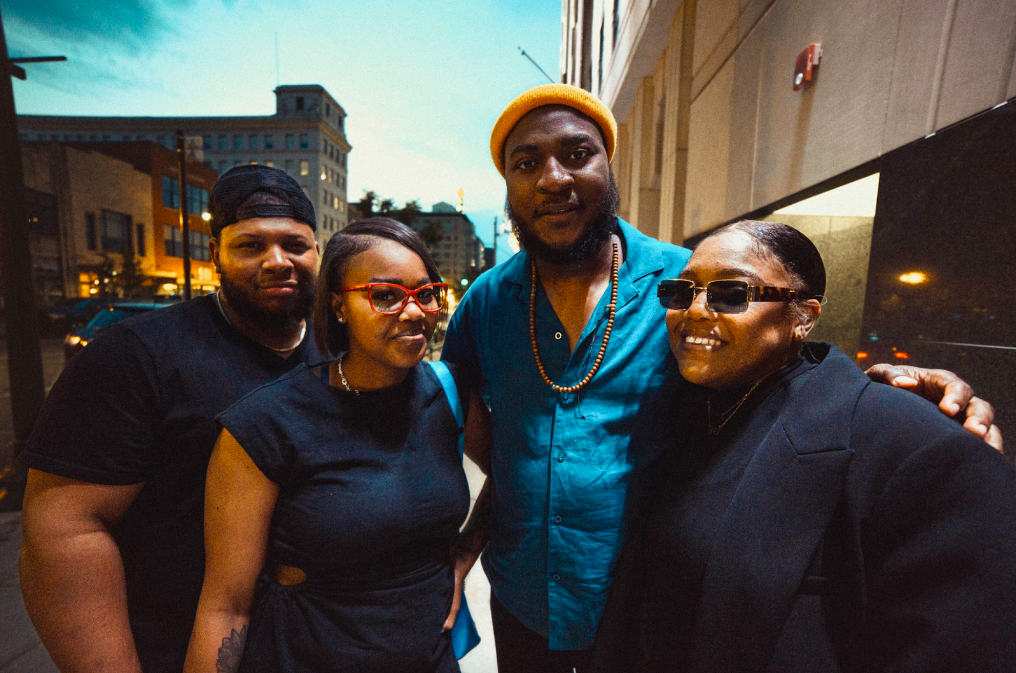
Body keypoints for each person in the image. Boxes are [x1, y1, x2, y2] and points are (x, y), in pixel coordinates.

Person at [441, 83, 1003, 673]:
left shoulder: (680, 282)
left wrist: (891, 395)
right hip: (523, 601)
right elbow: (496, 447)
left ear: (609, 165)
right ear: (507, 185)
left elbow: (778, 365)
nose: (553, 178)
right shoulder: (486, 303)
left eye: (577, 154)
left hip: (647, 606)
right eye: (526, 163)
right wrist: (463, 547)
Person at [589, 220, 1016, 672]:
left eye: (731, 294)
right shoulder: (685, 406)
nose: (694, 310)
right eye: (680, 292)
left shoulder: (916, 445)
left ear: (804, 315)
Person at [19, 165, 323, 673]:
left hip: (317, 645)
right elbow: (65, 531)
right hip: (173, 648)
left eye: (295, 244)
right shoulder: (136, 356)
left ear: (317, 251)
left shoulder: (338, 357)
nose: (278, 261)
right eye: (250, 246)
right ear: (215, 255)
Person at [184, 218, 471, 673]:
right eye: (386, 295)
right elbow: (226, 606)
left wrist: (461, 561)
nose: (415, 311)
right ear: (338, 306)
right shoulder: (267, 423)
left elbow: (518, 473)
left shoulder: (447, 394)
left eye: (426, 292)